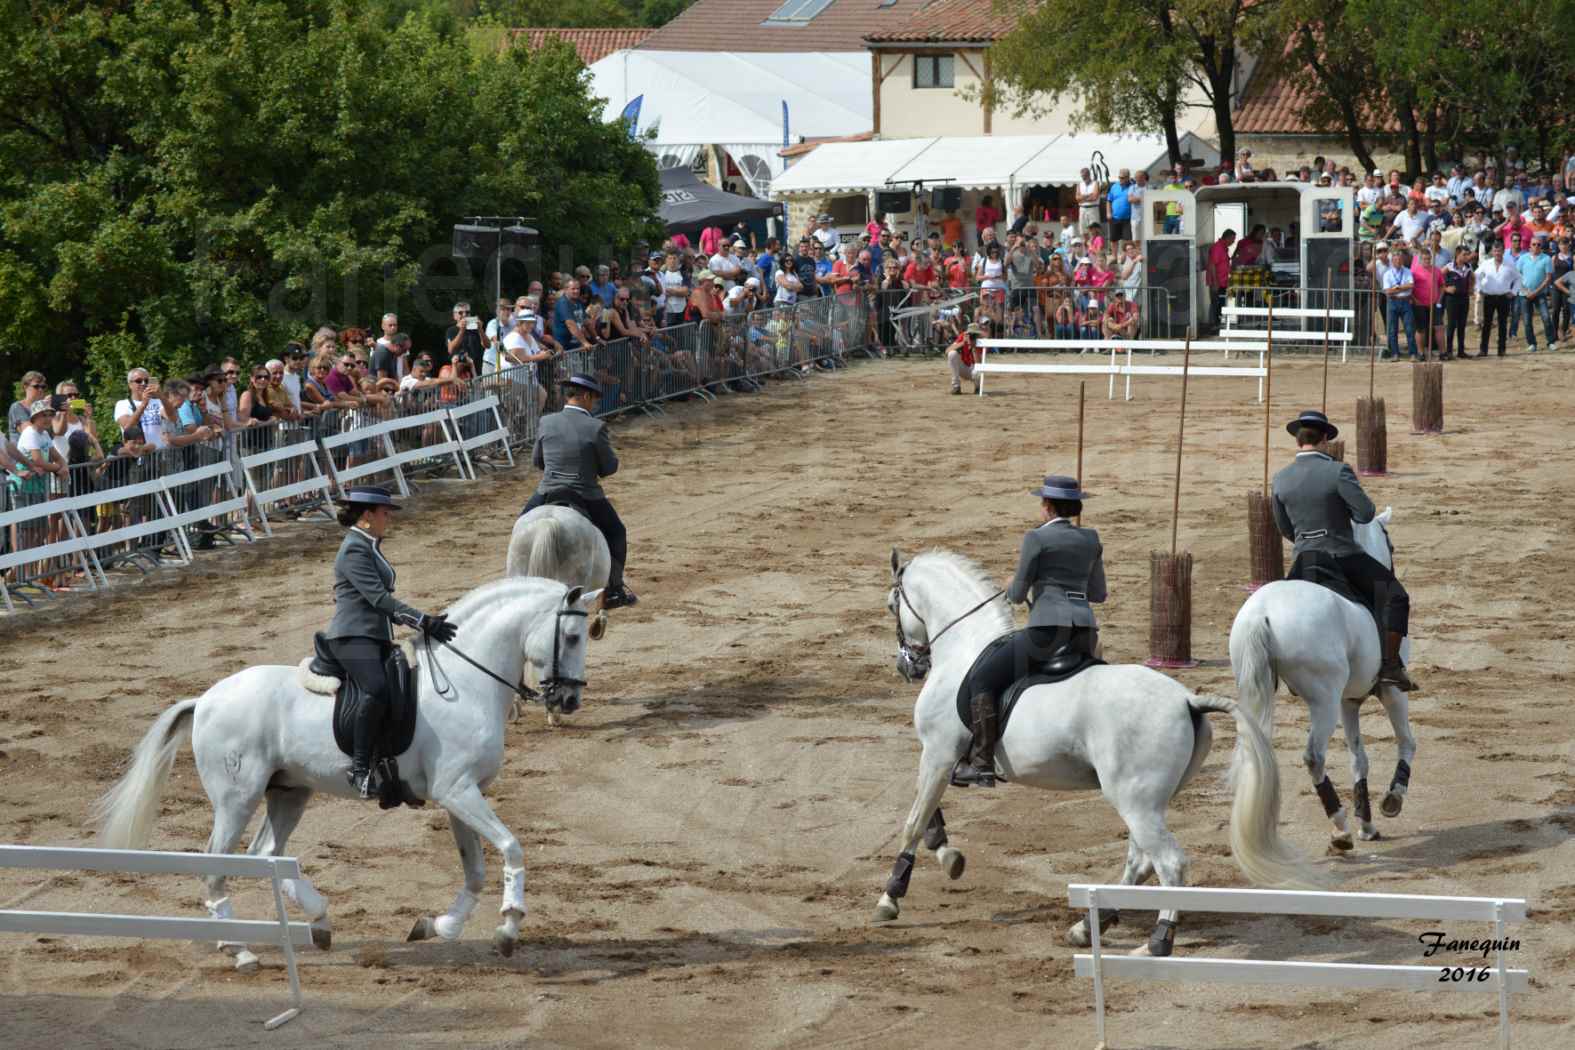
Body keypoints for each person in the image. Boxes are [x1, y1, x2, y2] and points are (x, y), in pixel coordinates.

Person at [950, 475, 1106, 787]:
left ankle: (981, 761)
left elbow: (1018, 595)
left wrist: (1012, 586)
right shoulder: (1091, 538)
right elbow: (1098, 593)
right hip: (1085, 633)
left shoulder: (1036, 539)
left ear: (1047, 507)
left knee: (983, 678)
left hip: (1047, 633)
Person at [324, 487, 458, 798]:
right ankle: (359, 769)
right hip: (352, 636)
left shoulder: (368, 544)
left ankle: (388, 762)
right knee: (377, 688)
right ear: (367, 515)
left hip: (375, 635)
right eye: (385, 513)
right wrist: (423, 621)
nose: (389, 519)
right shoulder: (354, 549)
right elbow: (378, 598)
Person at [1271, 411, 1416, 692]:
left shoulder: (1281, 479)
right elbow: (1365, 514)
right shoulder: (1338, 471)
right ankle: (1390, 666)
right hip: (1342, 555)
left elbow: (1284, 528)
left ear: (1298, 439)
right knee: (1397, 596)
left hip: (1304, 560)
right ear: (1325, 438)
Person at [520, 374, 637, 609]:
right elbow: (609, 467)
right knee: (617, 533)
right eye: (594, 399)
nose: (595, 404)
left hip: (547, 491)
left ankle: (516, 590)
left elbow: (537, 460)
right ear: (585, 396)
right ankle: (613, 590)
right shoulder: (596, 427)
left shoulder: (547, 421)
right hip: (585, 494)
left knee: (522, 527)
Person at [945, 321, 986, 395]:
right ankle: (956, 387)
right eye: (970, 334)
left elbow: (979, 364)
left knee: (977, 371)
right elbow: (947, 351)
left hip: (974, 369)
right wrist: (963, 343)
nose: (972, 336)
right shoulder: (963, 336)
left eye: (974, 335)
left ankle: (978, 387)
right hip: (964, 367)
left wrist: (973, 348)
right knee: (952, 354)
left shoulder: (981, 342)